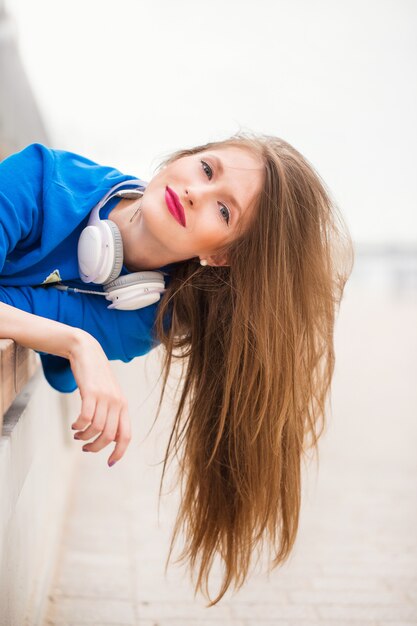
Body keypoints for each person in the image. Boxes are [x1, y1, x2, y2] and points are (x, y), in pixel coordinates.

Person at [0, 132, 353, 604]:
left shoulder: (143, 320)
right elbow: (50, 341)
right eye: (207, 170)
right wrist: (77, 344)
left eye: (224, 211)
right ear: (186, 157)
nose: (195, 191)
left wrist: (69, 345)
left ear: (220, 255)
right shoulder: (43, 179)